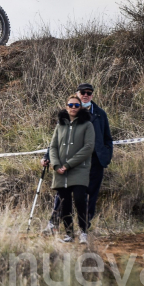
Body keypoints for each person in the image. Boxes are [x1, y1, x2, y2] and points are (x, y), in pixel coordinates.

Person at [42, 83, 113, 234]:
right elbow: (57, 141)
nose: (86, 95)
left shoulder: (100, 113)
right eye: (82, 92)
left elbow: (108, 137)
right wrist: (48, 156)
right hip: (71, 161)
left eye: (89, 93)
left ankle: (84, 228)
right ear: (77, 94)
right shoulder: (67, 115)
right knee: (63, 194)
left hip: (95, 161)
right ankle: (54, 223)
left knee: (90, 196)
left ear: (92, 95)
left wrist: (106, 155)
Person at [49, 95, 96, 244]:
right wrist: (56, 165)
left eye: (77, 105)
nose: (74, 108)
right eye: (71, 105)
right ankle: (69, 234)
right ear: (66, 106)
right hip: (60, 171)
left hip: (79, 170)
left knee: (80, 200)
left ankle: (83, 232)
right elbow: (53, 147)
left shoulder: (87, 124)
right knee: (64, 203)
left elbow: (88, 147)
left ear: (80, 107)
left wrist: (68, 164)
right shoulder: (60, 125)